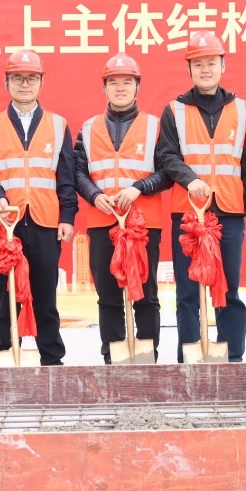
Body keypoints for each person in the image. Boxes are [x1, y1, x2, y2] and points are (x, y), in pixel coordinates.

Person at [157, 31, 246, 364]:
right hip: (188, 213)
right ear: (189, 68)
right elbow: (167, 156)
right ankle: (189, 358)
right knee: (188, 290)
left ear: (222, 66)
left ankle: (232, 357)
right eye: (198, 63)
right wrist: (191, 180)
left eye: (211, 63)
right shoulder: (174, 110)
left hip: (229, 211)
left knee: (228, 287)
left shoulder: (242, 110)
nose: (205, 69)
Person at [0, 48, 77, 366]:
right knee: (7, 296)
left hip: (46, 222)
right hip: (5, 225)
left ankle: (52, 359)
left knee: (45, 296)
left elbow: (66, 176)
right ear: (6, 83)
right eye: (17, 78)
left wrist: (67, 215)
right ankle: (7, 354)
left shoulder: (58, 125)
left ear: (41, 82)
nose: (24, 84)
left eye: (31, 78)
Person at [73, 53, 171, 363]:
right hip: (102, 221)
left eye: (127, 82)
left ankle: (147, 356)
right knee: (108, 295)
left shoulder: (155, 127)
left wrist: (138, 187)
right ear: (104, 87)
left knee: (145, 293)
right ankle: (112, 357)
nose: (120, 88)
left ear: (137, 86)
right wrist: (94, 195)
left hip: (144, 223)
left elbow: (167, 171)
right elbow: (77, 171)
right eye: (113, 82)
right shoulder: (88, 128)